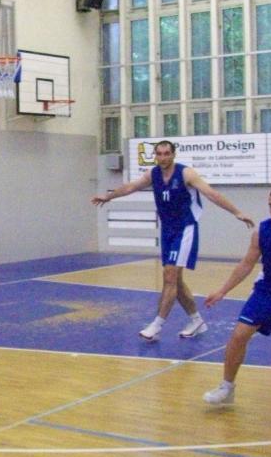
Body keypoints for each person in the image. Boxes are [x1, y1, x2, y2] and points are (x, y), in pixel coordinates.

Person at [92, 140, 254, 341]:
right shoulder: (153, 174)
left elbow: (211, 194)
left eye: (166, 153)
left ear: (173, 154)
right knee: (175, 280)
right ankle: (197, 321)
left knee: (169, 276)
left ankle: (156, 325)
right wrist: (108, 197)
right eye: (159, 154)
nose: (163, 157)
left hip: (185, 229)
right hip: (167, 231)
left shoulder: (186, 174)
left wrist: (237, 212)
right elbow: (131, 187)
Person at [201, 186, 271, 405]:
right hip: (268, 291)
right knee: (238, 335)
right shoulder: (262, 231)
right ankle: (227, 388)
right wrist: (222, 291)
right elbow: (246, 264)